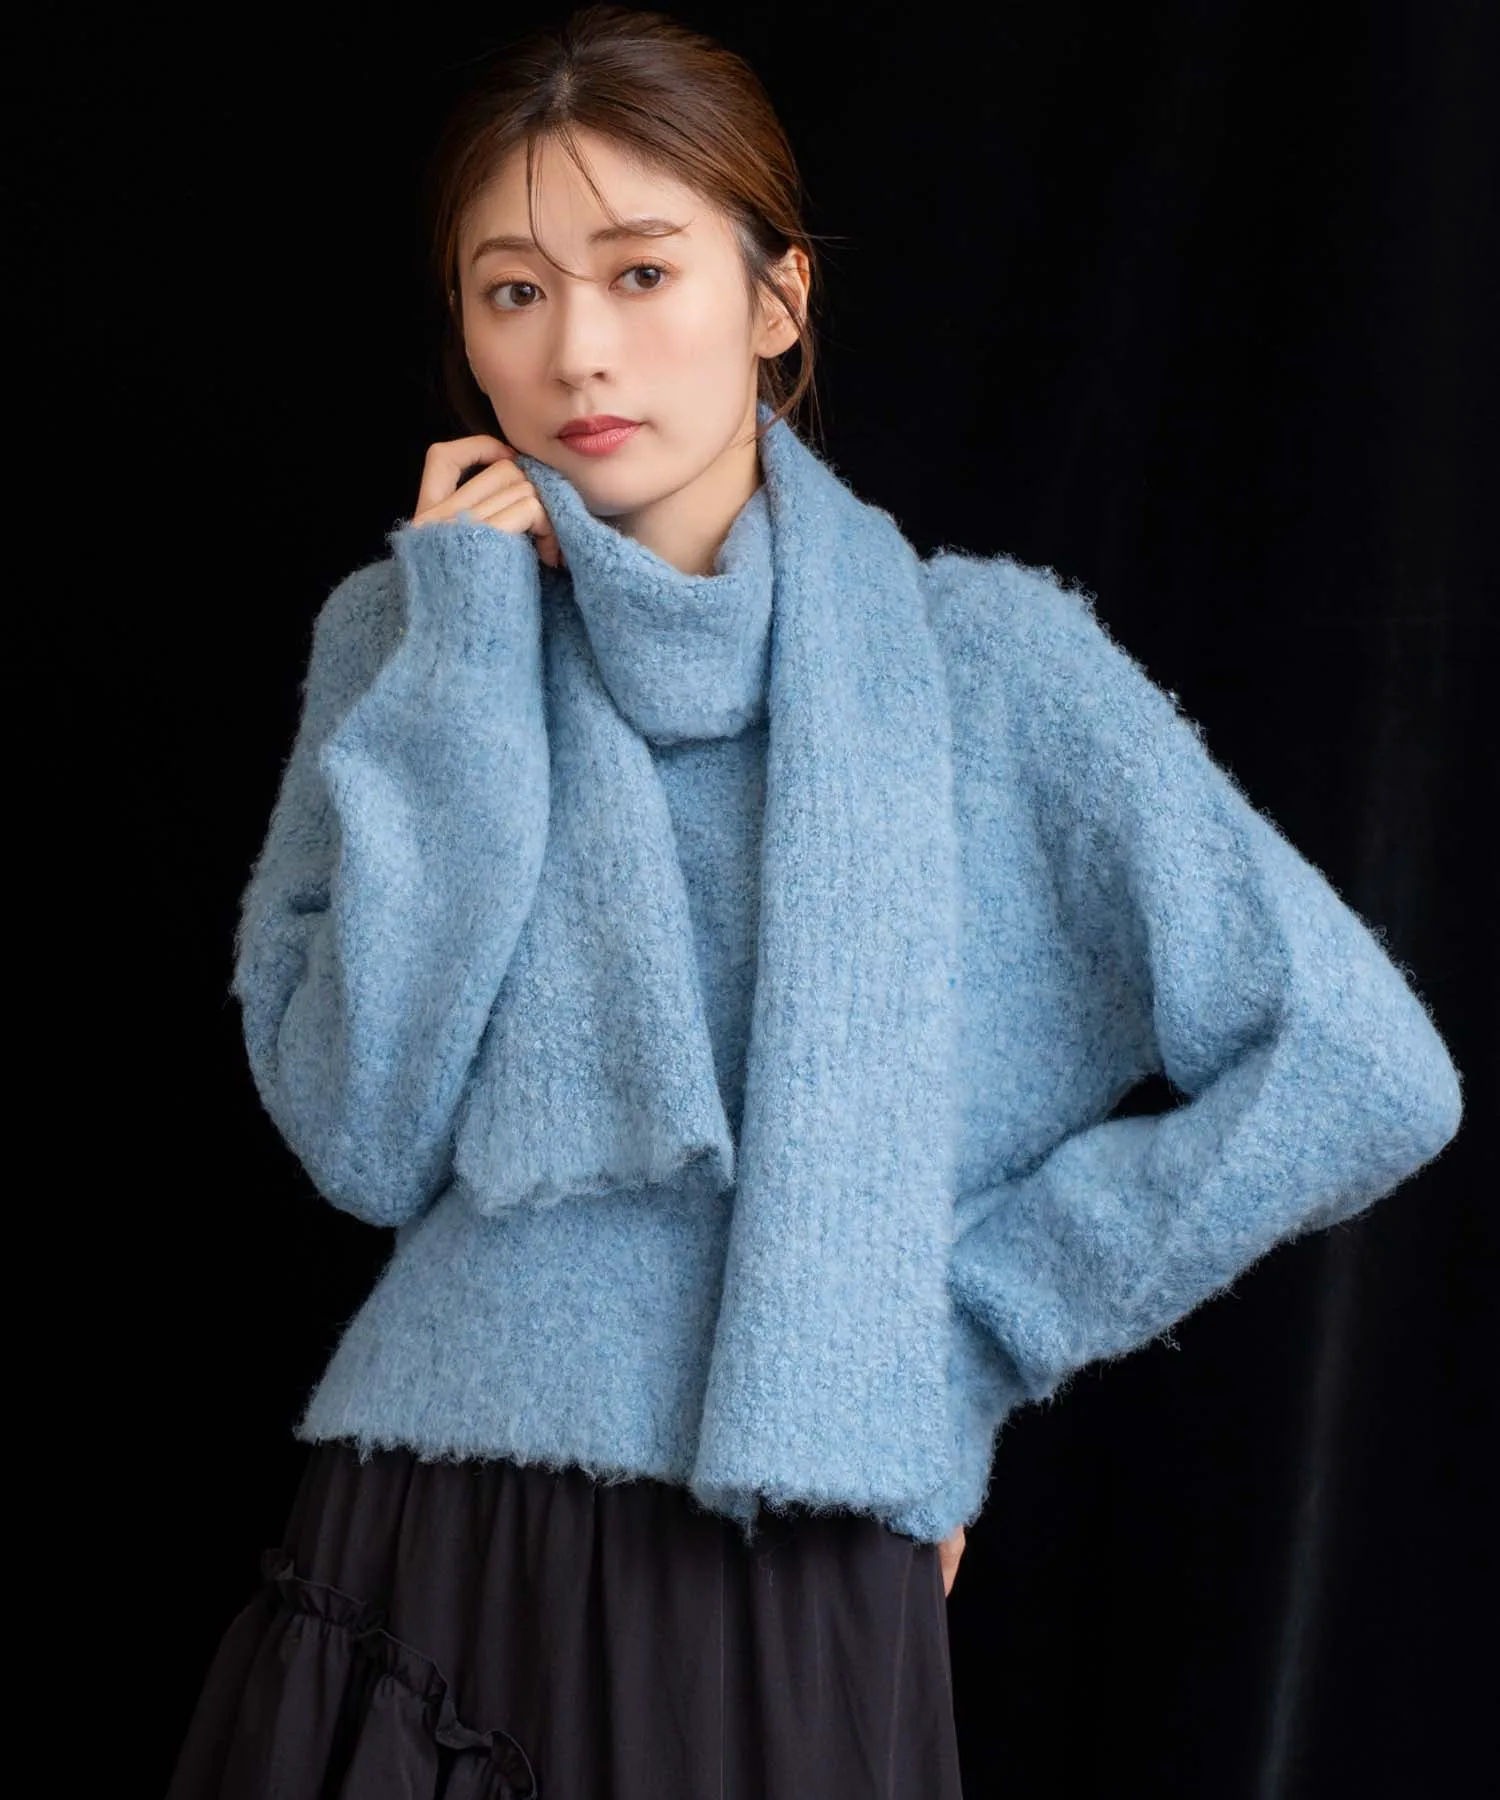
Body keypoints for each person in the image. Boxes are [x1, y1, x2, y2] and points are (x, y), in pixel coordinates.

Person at [167, 7, 1464, 1797]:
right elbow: (367, 1140)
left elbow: (1363, 1066)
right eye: (513, 292)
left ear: (777, 300)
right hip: (422, 1540)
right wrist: (463, 662)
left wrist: (968, 1330)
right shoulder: (403, 633)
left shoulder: (987, 666)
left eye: (641, 272)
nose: (576, 348)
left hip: (783, 1550)